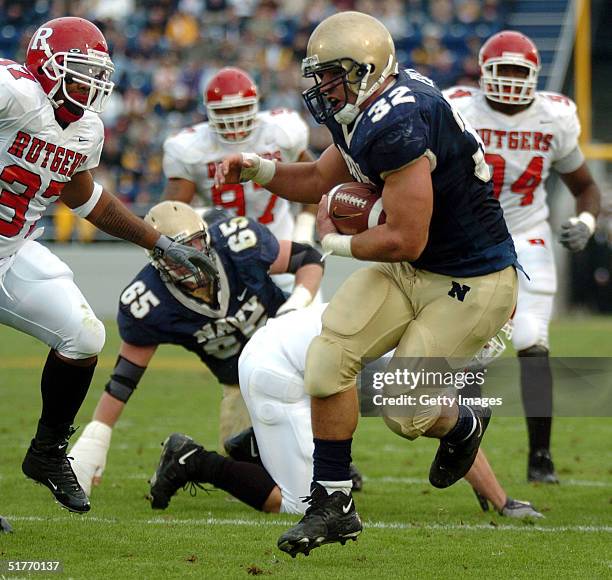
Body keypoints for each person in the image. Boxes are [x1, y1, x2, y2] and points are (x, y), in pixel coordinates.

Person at [216, 11, 520, 556]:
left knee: (405, 410)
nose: (324, 87)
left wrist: (330, 243)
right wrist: (257, 169)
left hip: (472, 279)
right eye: (320, 75)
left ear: (367, 68)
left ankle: (463, 422)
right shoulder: (363, 109)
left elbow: (405, 238)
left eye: (333, 74)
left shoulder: (398, 122)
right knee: (327, 361)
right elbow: (315, 179)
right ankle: (332, 505)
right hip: (415, 269)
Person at [0, 17, 214, 514]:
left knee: (84, 336)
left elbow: (82, 194)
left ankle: (48, 454)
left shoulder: (86, 128)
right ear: (45, 66)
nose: (90, 85)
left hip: (13, 249)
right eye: (79, 71)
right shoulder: (15, 92)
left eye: (97, 74)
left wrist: (156, 241)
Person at [146, 304, 541, 518]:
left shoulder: (421, 316)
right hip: (281, 370)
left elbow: (456, 434)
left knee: (400, 415)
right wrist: (502, 501)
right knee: (299, 506)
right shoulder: (420, 348)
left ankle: (257, 446)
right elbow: (450, 426)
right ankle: (194, 460)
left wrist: (501, 500)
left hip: (304, 362)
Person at [69, 201, 324, 496]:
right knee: (270, 483)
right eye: (179, 253)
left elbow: (308, 257)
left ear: (207, 237)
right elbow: (125, 376)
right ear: (157, 259)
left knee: (347, 392)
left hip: (295, 358)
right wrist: (98, 434)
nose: (193, 258)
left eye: (197, 244)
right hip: (244, 386)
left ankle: (323, 457)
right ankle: (190, 459)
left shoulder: (236, 243)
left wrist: (296, 304)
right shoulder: (150, 301)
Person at [444, 31, 601, 483]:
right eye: (503, 70)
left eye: (519, 72)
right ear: (483, 73)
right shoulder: (459, 108)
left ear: (534, 76)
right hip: (472, 238)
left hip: (528, 234)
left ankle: (541, 458)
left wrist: (587, 223)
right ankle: (466, 450)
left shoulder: (554, 117)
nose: (511, 81)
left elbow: (586, 187)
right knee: (471, 348)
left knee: (532, 338)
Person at [162, 67, 318, 251]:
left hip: (280, 244)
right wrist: (202, 218)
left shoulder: (281, 132)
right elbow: (172, 213)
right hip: (222, 253)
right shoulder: (189, 148)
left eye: (240, 108)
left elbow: (314, 181)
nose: (234, 118)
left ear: (255, 105)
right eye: (225, 110)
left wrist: (304, 232)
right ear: (209, 111)